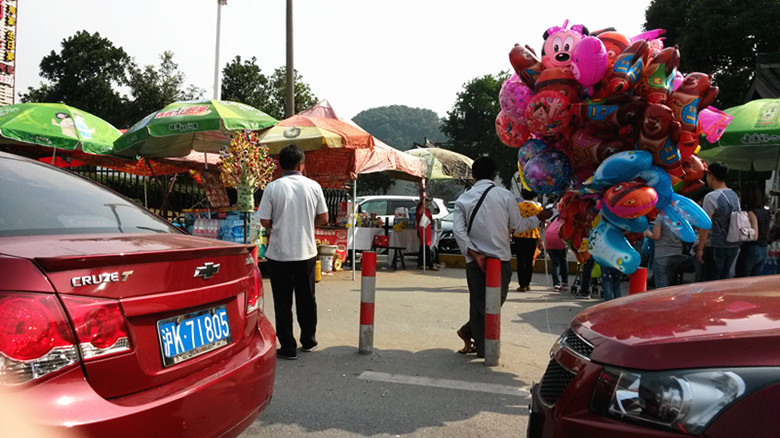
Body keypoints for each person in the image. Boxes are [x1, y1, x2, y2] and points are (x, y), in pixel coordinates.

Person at [452, 157, 552, 357]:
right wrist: (538, 218)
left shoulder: (464, 199)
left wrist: (474, 254)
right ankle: (484, 348)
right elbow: (518, 226)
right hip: (500, 259)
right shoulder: (506, 196)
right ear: (494, 175)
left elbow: (458, 232)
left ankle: (471, 333)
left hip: (474, 260)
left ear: (473, 176)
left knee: (481, 302)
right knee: (495, 300)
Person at [257, 144, 329, 360]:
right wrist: (307, 223)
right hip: (305, 252)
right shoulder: (313, 186)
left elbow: (265, 220)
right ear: (301, 164)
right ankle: (309, 340)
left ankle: (288, 347)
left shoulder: (272, 188)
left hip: (278, 253)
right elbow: (324, 218)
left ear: (279, 165)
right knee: (307, 299)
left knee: (282, 301)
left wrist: (278, 223)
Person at [696, 162, 740, 281]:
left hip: (716, 245)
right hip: (733, 245)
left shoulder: (711, 197)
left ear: (711, 176)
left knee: (711, 282)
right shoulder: (734, 195)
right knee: (724, 281)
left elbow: (705, 225)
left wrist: (700, 248)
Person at [736, 182, 771, 277]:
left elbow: (754, 235)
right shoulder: (766, 212)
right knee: (754, 280)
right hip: (764, 249)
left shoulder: (752, 213)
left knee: (742, 279)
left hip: (752, 248)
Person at [644, 211, 687, 288]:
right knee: (671, 284)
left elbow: (656, 236)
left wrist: (647, 233)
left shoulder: (660, 217)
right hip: (677, 253)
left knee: (662, 285)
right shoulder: (680, 218)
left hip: (662, 254)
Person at [512, 189, 542, 291]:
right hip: (532, 236)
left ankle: (522, 284)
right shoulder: (538, 208)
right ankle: (527, 283)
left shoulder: (518, 207)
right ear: (535, 195)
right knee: (529, 260)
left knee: (520, 260)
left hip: (519, 235)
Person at [544, 214, 569, 292]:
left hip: (549, 238)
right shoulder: (569, 217)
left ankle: (556, 284)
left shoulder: (558, 216)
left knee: (555, 263)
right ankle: (564, 282)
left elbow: (548, 223)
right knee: (563, 260)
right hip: (560, 238)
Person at [415, 197, 438, 271]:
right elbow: (419, 214)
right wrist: (423, 207)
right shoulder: (420, 209)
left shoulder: (427, 210)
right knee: (426, 247)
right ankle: (429, 264)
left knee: (424, 247)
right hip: (422, 229)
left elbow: (430, 219)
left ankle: (421, 263)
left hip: (427, 229)